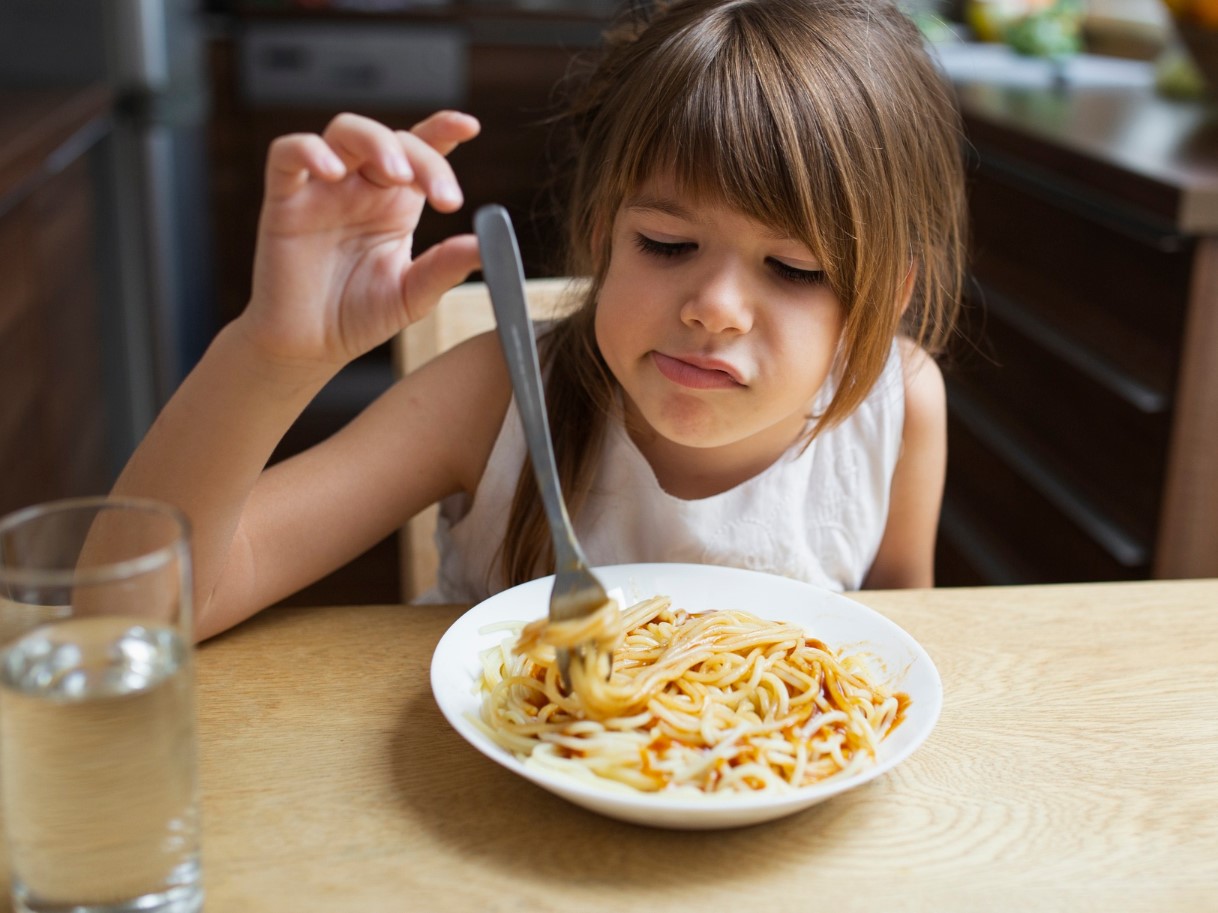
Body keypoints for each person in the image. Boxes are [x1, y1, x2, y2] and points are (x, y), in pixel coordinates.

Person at [112, 0, 967, 640]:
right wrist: (271, 353)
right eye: (667, 243)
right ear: (602, 235)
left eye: (794, 269)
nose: (715, 307)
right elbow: (133, 609)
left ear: (883, 298)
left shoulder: (900, 405)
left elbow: (896, 646)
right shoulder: (492, 399)